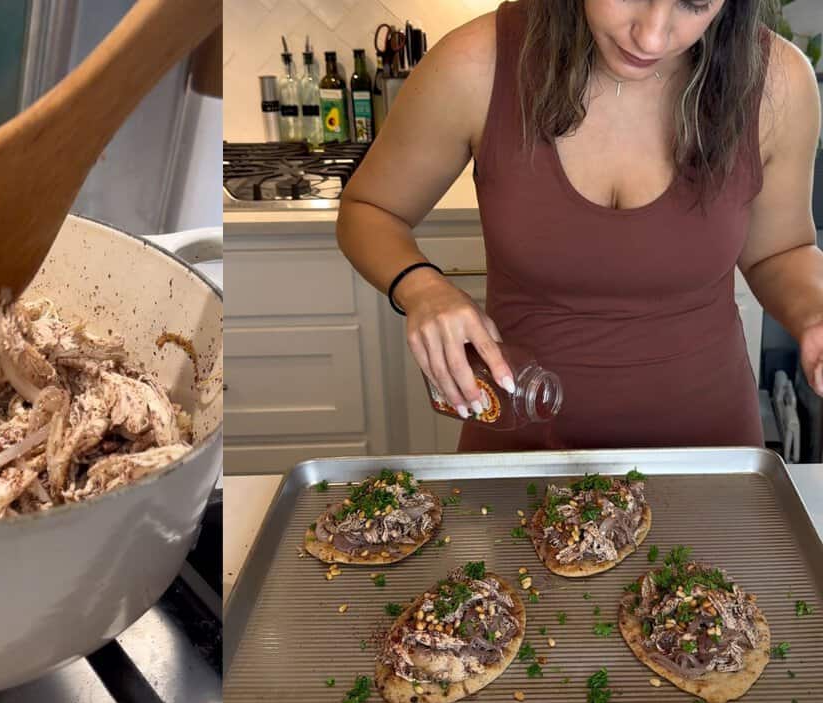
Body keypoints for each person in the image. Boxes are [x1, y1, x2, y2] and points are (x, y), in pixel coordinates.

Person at [337, 0, 823, 451]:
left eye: (695, 2)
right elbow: (369, 209)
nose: (652, 37)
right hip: (522, 447)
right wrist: (421, 289)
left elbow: (779, 251)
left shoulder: (778, 82)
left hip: (707, 452)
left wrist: (815, 314)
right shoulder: (476, 63)